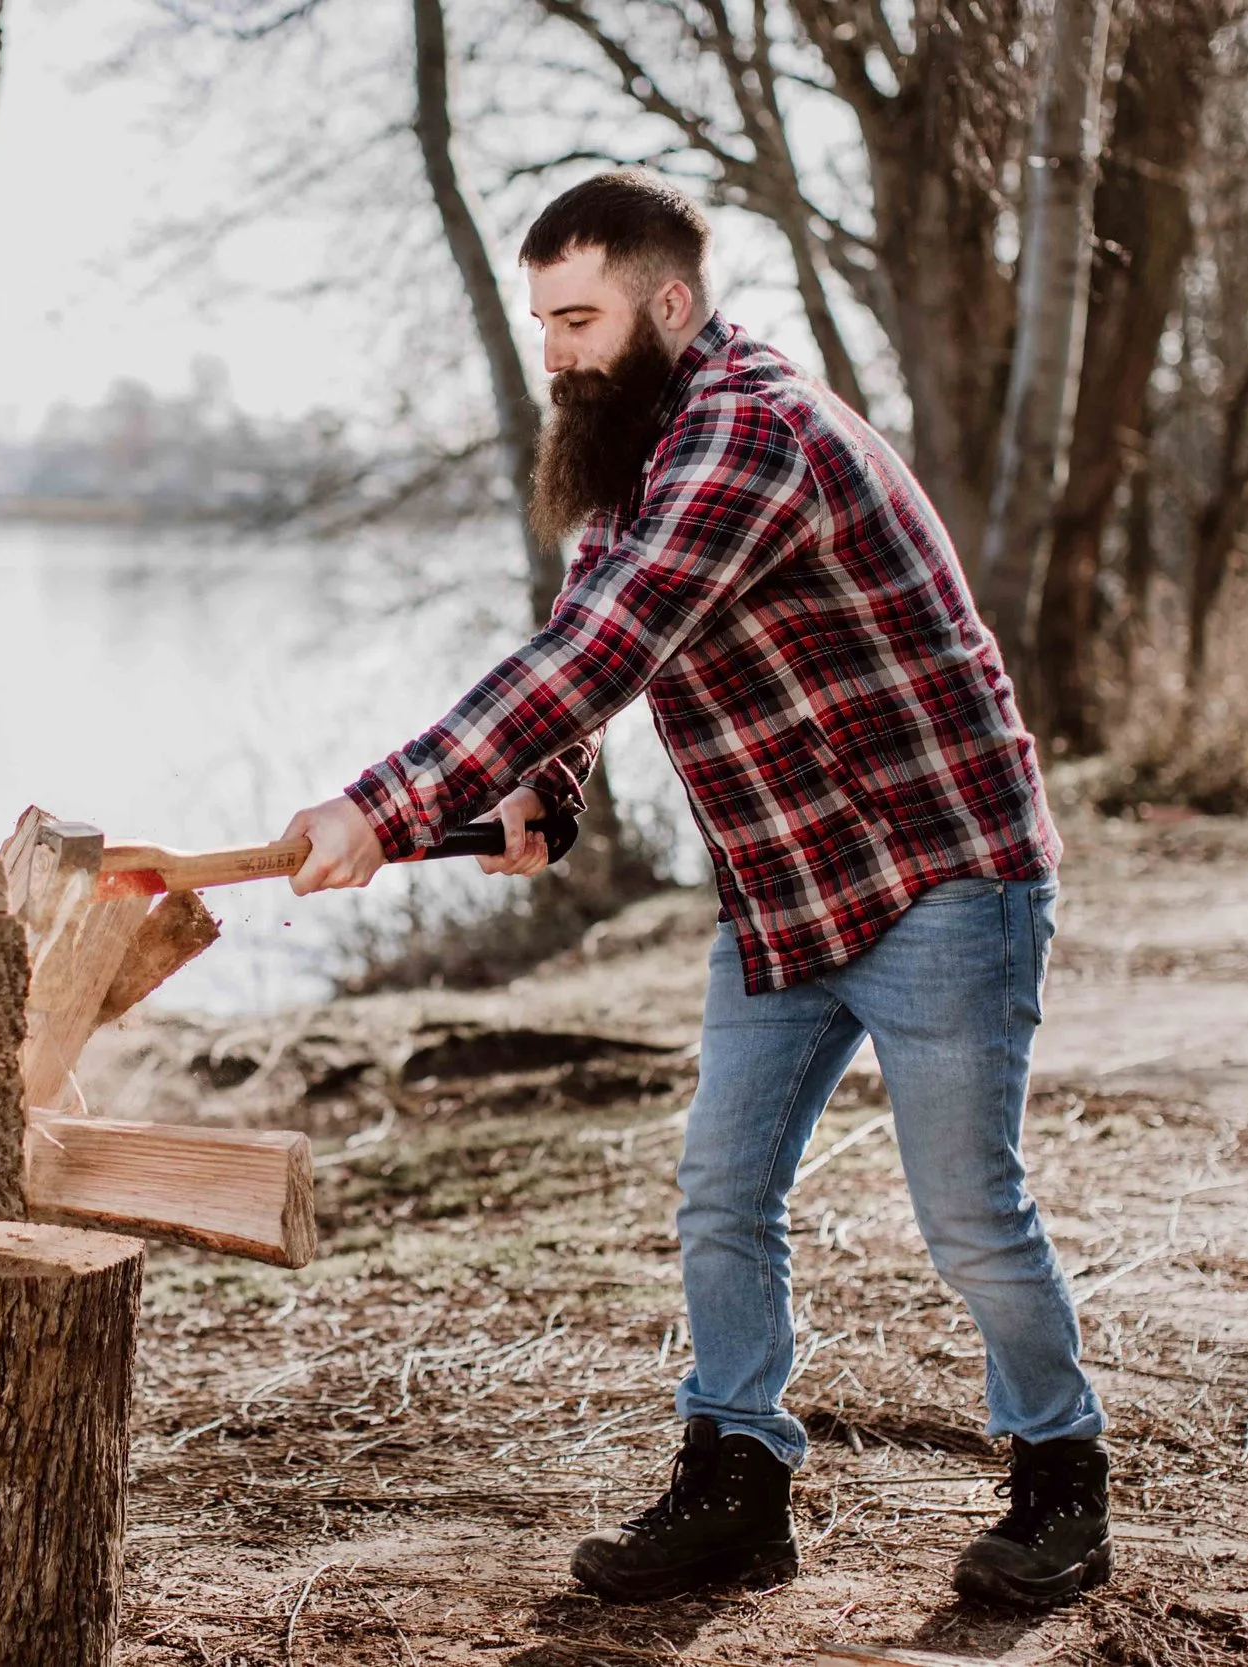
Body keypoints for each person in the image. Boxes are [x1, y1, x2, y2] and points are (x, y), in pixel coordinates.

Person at [281, 170, 1108, 1610]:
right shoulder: (633, 438)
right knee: (724, 1191)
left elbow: (608, 643)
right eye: (543, 319)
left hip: (941, 867)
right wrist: (546, 788)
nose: (555, 352)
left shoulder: (753, 435)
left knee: (968, 1207)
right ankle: (737, 1478)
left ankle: (1062, 1480)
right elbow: (592, 633)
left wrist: (382, 803)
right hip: (786, 881)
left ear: (670, 305)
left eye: (581, 317)